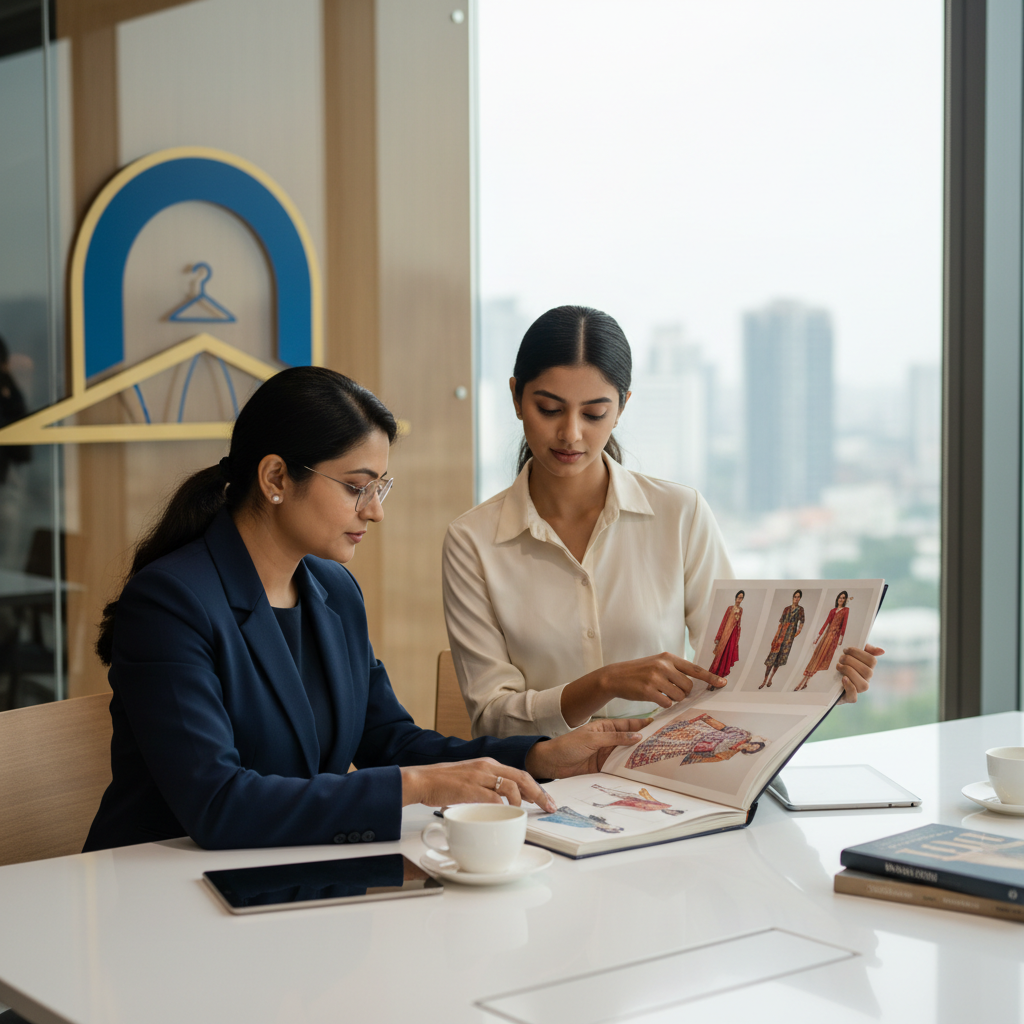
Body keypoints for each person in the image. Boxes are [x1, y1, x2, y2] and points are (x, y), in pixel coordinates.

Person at [83, 367, 650, 853]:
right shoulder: (171, 602)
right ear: (276, 477)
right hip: (158, 893)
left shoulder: (333, 591)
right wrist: (418, 787)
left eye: (382, 486)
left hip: (281, 875)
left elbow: (391, 741)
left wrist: (540, 755)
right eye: (357, 487)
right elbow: (219, 803)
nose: (375, 512)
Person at [443, 305, 881, 740]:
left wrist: (823, 681)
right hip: (540, 781)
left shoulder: (680, 513)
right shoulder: (473, 542)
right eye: (549, 409)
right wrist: (602, 684)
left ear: (622, 408)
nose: (571, 433)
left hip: (665, 768)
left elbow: (733, 668)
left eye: (594, 413)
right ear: (517, 397)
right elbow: (493, 718)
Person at [796, 590, 849, 690]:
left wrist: (841, 638)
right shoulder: (833, 611)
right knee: (815, 657)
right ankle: (804, 681)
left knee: (820, 659)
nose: (841, 599)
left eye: (843, 598)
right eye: (840, 597)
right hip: (826, 636)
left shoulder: (846, 610)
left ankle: (805, 681)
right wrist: (818, 637)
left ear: (845, 600)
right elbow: (826, 624)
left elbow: (844, 625)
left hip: (833, 638)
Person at [760, 590, 805, 689]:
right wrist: (777, 636)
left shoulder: (801, 609)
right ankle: (764, 680)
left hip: (788, 638)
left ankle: (771, 678)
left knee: (779, 659)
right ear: (792, 597)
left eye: (798, 597)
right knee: (771, 658)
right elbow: (780, 623)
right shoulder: (786, 609)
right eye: (795, 596)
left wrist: (796, 633)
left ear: (800, 598)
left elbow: (801, 622)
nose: (796, 598)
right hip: (780, 635)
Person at [709, 590, 744, 679]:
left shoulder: (741, 610)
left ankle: (721, 674)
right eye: (738, 597)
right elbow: (724, 622)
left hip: (734, 634)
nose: (739, 599)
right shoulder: (730, 608)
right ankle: (713, 675)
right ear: (736, 597)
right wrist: (719, 636)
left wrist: (737, 637)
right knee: (720, 653)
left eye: (741, 598)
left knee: (728, 653)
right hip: (726, 633)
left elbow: (739, 623)